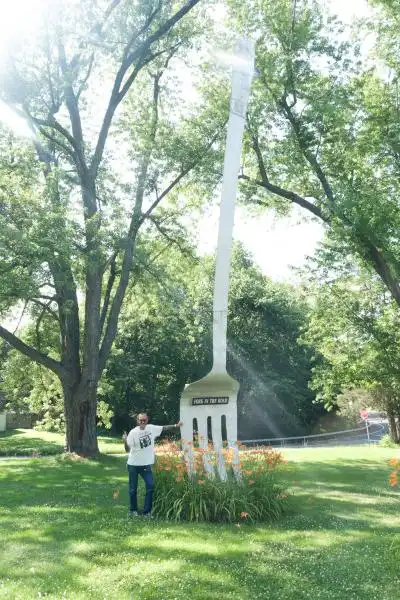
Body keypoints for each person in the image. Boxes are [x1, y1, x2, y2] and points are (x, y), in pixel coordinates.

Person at [122, 412, 183, 518]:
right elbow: (127, 449)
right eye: (140, 420)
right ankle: (133, 510)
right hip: (133, 465)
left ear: (147, 420)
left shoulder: (151, 428)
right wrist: (124, 441)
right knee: (133, 489)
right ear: (137, 421)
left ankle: (147, 512)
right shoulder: (133, 432)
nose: (142, 422)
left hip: (145, 465)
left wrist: (175, 426)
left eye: (144, 420)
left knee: (150, 486)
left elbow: (164, 428)